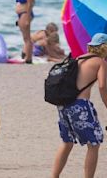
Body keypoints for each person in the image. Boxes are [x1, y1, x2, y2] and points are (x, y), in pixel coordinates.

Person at [51, 33, 107, 178]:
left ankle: (53, 176)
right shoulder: (100, 62)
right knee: (94, 144)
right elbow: (102, 86)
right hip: (80, 107)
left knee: (67, 142)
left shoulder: (79, 58)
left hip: (64, 105)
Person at [15, 0, 36, 64]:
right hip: (21, 15)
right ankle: (27, 56)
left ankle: (28, 58)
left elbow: (30, 3)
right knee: (25, 37)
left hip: (25, 13)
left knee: (27, 38)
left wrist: (27, 18)